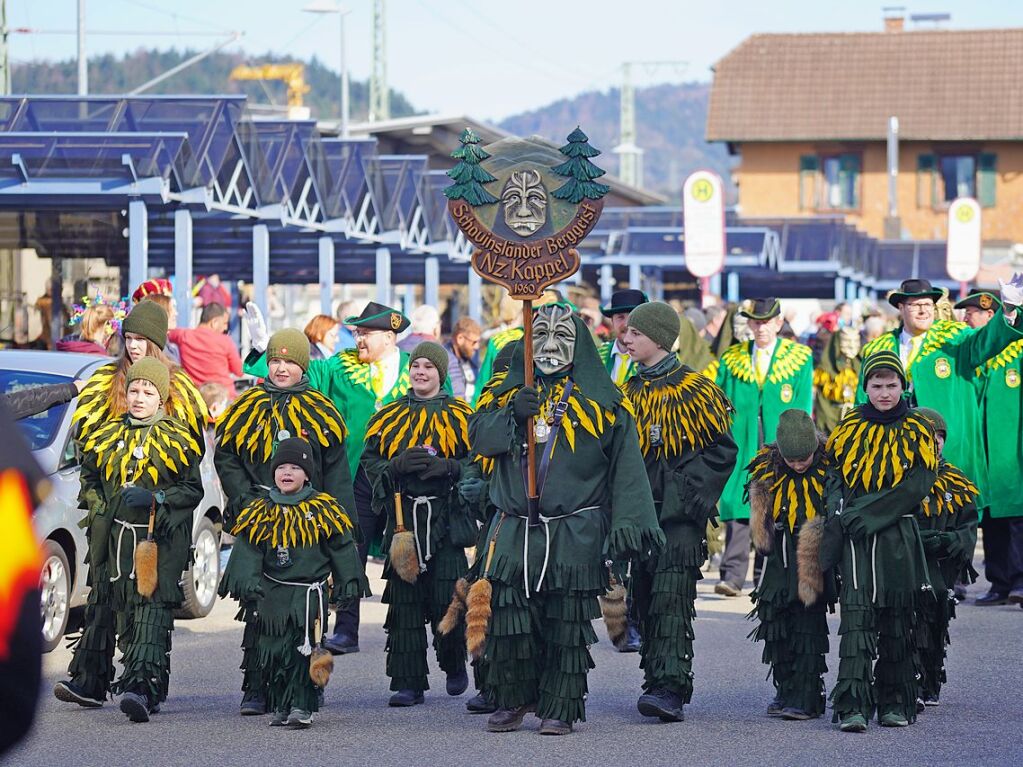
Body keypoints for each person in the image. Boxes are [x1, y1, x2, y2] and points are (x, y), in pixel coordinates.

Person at [469, 302, 664, 735]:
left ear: (579, 348)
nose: (550, 346)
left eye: (562, 337)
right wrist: (511, 414)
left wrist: (626, 529)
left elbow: (627, 472)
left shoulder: (607, 404)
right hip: (515, 529)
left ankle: (559, 707)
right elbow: (479, 440)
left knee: (565, 623)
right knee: (511, 620)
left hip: (574, 531)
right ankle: (515, 699)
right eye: (540, 336)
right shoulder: (505, 393)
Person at [244, 301, 412, 653]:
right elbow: (296, 373)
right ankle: (346, 630)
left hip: (400, 480)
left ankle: (407, 638)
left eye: (365, 334)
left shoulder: (415, 368)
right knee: (351, 548)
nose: (358, 340)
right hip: (353, 476)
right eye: (356, 332)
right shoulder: (339, 367)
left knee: (407, 557)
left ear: (390, 337)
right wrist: (263, 348)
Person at [54, 358, 204, 722]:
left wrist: (158, 499)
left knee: (149, 616)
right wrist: (100, 506)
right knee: (102, 608)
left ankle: (142, 688)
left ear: (161, 398)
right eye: (134, 390)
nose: (139, 397)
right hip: (113, 541)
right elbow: (89, 474)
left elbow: (192, 490)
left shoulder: (179, 439)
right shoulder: (107, 433)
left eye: (148, 391)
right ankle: (90, 683)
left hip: (155, 545)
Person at [216, 329, 356, 715]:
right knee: (259, 605)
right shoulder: (247, 406)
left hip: (309, 521)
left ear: (303, 366)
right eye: (275, 361)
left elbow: (337, 472)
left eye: (289, 362)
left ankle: (306, 684)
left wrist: (339, 523)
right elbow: (226, 456)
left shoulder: (321, 410)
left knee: (304, 610)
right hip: (260, 513)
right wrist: (244, 498)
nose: (280, 368)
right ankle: (257, 687)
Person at [620, 302, 737, 722]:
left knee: (672, 600)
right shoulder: (628, 392)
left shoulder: (697, 389)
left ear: (659, 338)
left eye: (635, 332)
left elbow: (722, 453)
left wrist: (680, 496)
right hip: (641, 520)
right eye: (626, 332)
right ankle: (655, 679)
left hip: (680, 521)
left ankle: (671, 688)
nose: (626, 338)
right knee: (646, 601)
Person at [219, 437, 367, 729]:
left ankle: (303, 705)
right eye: (281, 467)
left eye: (295, 467)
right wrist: (246, 582)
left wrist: (347, 580)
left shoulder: (324, 509)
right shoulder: (261, 509)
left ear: (308, 474)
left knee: (303, 649)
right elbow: (248, 549)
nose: (287, 473)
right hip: (272, 592)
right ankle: (282, 703)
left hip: (307, 595)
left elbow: (341, 547)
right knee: (274, 651)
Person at [826, 351, 937, 732]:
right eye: (877, 385)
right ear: (866, 387)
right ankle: (853, 706)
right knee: (856, 624)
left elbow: (919, 482)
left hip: (896, 535)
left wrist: (871, 513)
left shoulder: (917, 427)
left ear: (903, 386)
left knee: (896, 621)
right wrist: (837, 511)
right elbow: (834, 477)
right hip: (855, 539)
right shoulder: (849, 425)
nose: (885, 393)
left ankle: (894, 703)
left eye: (892, 385)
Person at [857, 277, 1023, 530]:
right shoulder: (880, 347)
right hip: (896, 460)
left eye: (928, 304)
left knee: (950, 539)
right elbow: (863, 401)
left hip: (949, 457)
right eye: (915, 305)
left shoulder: (955, 338)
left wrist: (1008, 310)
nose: (923, 310)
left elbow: (986, 341)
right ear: (901, 308)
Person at [361, 342, 475, 707]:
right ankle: (408, 682)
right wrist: (393, 468)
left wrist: (453, 468)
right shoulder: (389, 415)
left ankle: (455, 664)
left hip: (445, 519)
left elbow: (479, 463)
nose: (421, 372)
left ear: (441, 373)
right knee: (405, 605)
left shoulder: (461, 414)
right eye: (416, 366)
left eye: (429, 366)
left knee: (450, 596)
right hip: (403, 522)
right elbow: (371, 462)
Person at [714, 298, 814, 597]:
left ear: (778, 324)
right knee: (737, 502)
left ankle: (764, 574)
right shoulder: (732, 358)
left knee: (772, 503)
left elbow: (804, 402)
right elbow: (719, 399)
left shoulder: (799, 357)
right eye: (756, 322)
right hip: (741, 438)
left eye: (767, 322)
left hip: (777, 438)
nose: (761, 328)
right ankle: (732, 576)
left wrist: (799, 440)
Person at [746, 409, 833, 721]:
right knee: (775, 623)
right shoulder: (768, 470)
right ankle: (786, 689)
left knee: (807, 625)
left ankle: (808, 695)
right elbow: (760, 517)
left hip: (810, 558)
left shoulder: (828, 470)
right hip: (776, 561)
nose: (797, 465)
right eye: (791, 460)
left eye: (803, 459)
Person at [952, 289, 1023, 607]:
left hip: (1011, 446)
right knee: (991, 516)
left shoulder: (1016, 350)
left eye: (972, 313)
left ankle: (1020, 581)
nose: (966, 317)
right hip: (982, 448)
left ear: (991, 316)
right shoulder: (971, 352)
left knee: (1016, 514)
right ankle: (998, 581)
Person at [912, 407, 978, 706]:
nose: (935, 442)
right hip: (912, 562)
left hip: (942, 564)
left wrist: (954, 540)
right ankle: (908, 682)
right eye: (928, 437)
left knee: (937, 620)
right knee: (910, 621)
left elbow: (969, 523)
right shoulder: (905, 478)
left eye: (939, 437)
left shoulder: (956, 479)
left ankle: (931, 681)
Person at [72, 299, 208, 442]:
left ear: (155, 343)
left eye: (140, 339)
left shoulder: (177, 382)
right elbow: (86, 439)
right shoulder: (106, 379)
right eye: (128, 338)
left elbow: (193, 442)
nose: (132, 345)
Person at [168, 302, 242, 399]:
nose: (226, 328)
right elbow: (239, 371)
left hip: (197, 398)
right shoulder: (225, 341)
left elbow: (167, 332)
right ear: (214, 322)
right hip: (224, 398)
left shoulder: (184, 336)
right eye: (224, 323)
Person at [813, 326, 861, 434]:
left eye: (855, 341)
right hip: (831, 418)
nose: (852, 346)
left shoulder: (861, 367)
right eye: (847, 341)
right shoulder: (825, 369)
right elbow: (821, 398)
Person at [597, 289, 648, 386]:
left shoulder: (655, 358)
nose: (626, 324)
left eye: (633, 316)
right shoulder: (596, 356)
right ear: (612, 321)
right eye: (620, 317)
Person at [444, 316, 481, 402]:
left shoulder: (469, 357)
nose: (477, 347)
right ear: (460, 338)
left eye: (479, 342)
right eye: (474, 342)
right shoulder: (445, 360)